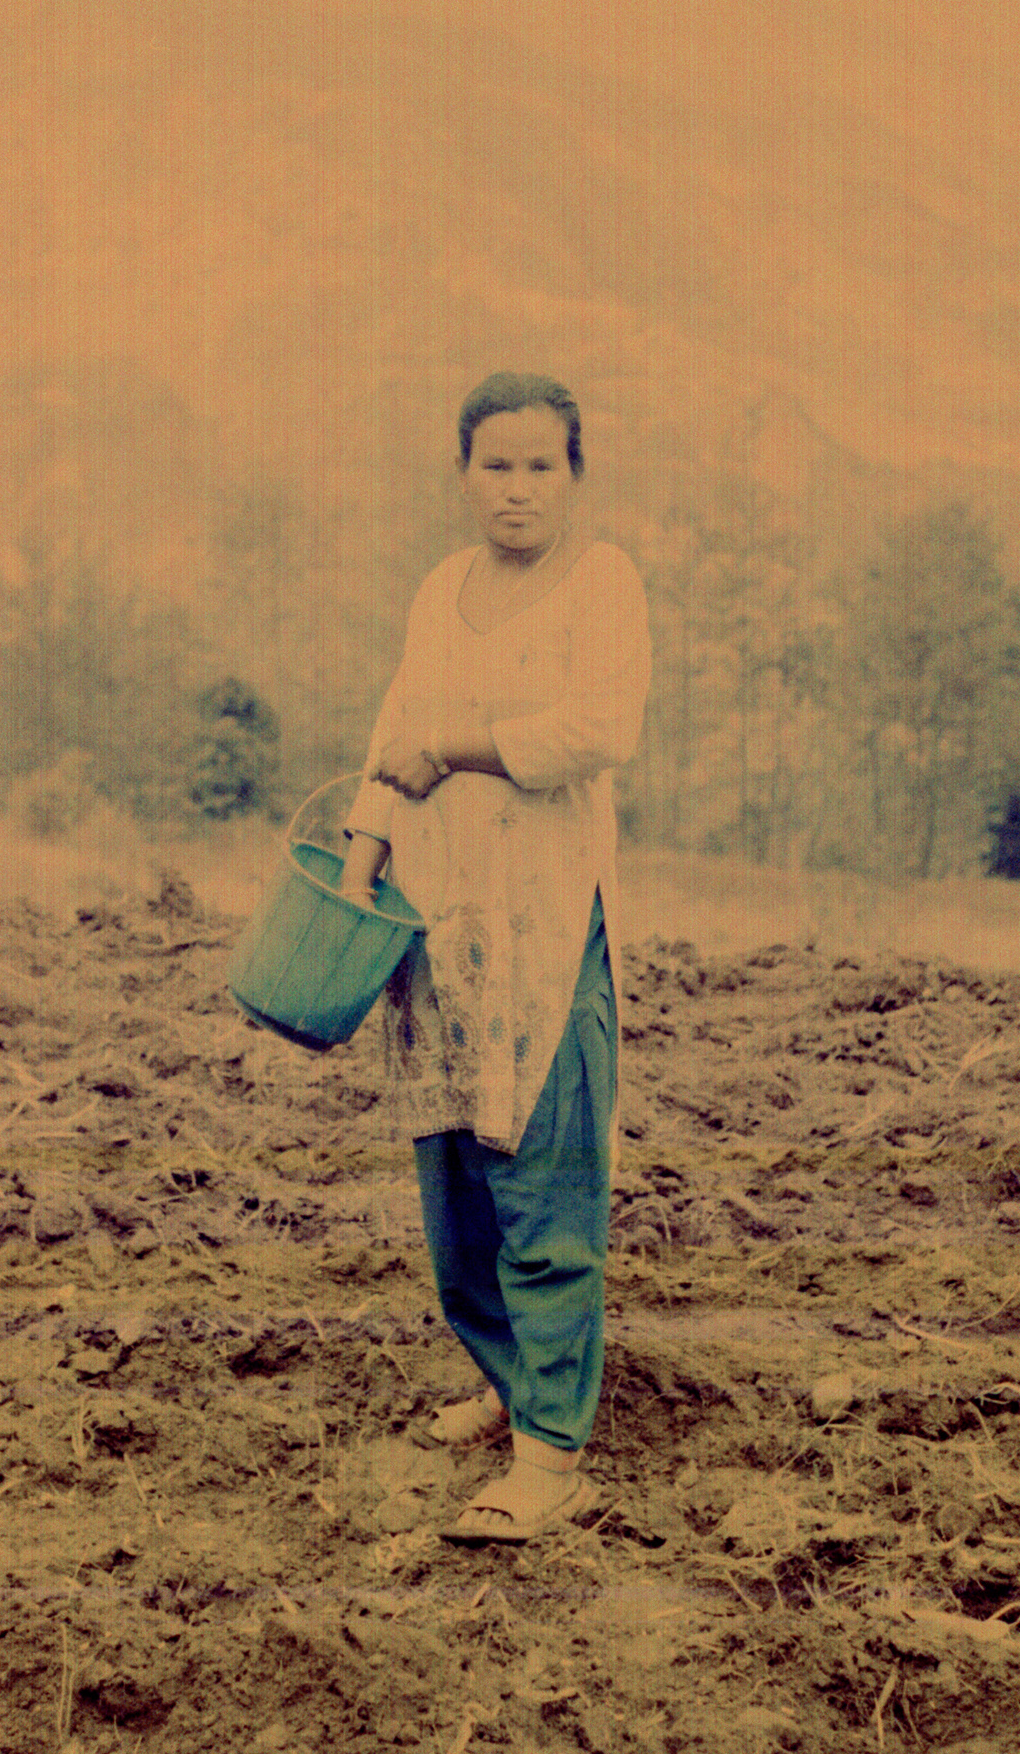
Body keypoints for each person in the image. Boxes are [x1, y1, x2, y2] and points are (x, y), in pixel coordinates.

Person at [338, 371, 651, 1543]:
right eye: (495, 464)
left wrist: (460, 750)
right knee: (457, 1191)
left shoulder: (602, 580)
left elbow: (600, 726)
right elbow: (392, 724)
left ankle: (552, 1455)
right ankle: (510, 1382)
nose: (516, 488)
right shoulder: (440, 588)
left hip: (547, 926)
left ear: (575, 472)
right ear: (462, 472)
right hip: (442, 924)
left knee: (543, 1186)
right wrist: (364, 847)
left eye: (539, 465)